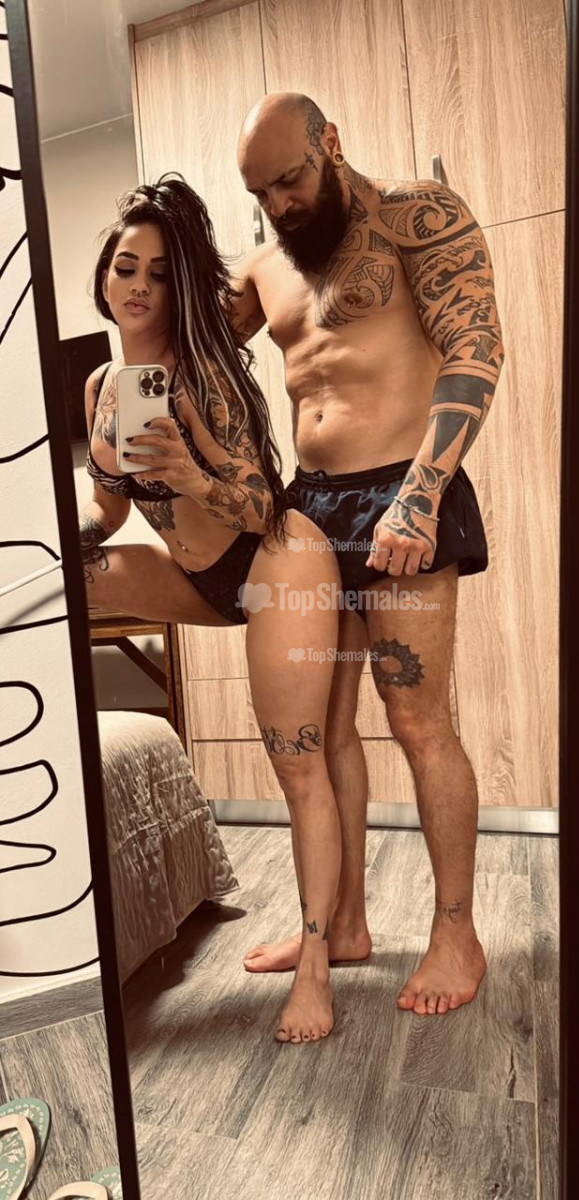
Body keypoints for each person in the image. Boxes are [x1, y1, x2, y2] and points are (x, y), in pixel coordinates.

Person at [234, 94, 505, 1017]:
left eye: (289, 180)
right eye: (260, 193)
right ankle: (342, 924)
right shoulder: (265, 267)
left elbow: (474, 346)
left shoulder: (413, 216)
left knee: (417, 720)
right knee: (324, 729)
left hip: (402, 491)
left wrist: (421, 495)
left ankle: (456, 932)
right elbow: (188, 346)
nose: (278, 205)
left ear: (330, 143)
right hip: (307, 512)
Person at [79, 175, 344, 1045]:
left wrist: (190, 473)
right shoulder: (104, 387)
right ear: (104, 278)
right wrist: (75, 527)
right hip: (195, 576)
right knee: (69, 577)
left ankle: (315, 965)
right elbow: (110, 510)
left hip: (275, 560)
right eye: (126, 267)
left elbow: (260, 505)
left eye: (160, 273)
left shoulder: (201, 378)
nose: (139, 286)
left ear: (179, 288)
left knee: (296, 764)